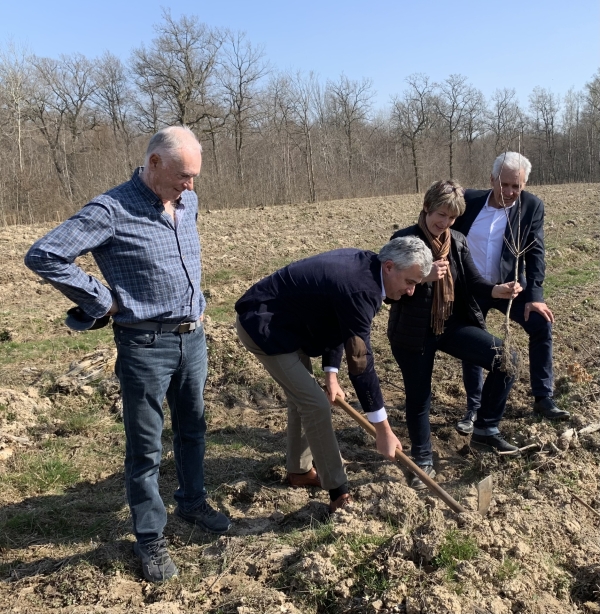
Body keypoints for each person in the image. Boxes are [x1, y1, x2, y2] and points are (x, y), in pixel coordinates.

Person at [24, 126, 230, 583]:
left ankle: (193, 503)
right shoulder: (111, 209)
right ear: (154, 162)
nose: (190, 186)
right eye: (183, 176)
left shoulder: (187, 201)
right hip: (145, 345)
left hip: (192, 337)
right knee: (146, 446)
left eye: (195, 176)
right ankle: (151, 538)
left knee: (193, 428)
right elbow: (45, 254)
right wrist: (102, 300)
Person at [235, 237, 433, 511]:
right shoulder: (360, 288)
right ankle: (338, 492)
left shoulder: (366, 270)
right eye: (410, 282)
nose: (411, 291)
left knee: (302, 400)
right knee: (315, 404)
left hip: (291, 326)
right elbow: (361, 362)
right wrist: (382, 430)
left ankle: (300, 471)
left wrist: (331, 374)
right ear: (389, 267)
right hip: (264, 325)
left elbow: (340, 322)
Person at [388, 180, 522, 490]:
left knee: (507, 360)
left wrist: (496, 290)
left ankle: (486, 430)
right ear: (427, 207)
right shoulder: (404, 240)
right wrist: (423, 277)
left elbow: (472, 282)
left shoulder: (457, 241)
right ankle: (422, 460)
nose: (445, 222)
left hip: (451, 325)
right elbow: (389, 294)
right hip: (413, 333)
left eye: (451, 217)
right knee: (419, 397)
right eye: (441, 215)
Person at [453, 152, 568, 436]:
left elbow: (536, 252)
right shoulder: (469, 203)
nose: (510, 192)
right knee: (475, 342)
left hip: (510, 286)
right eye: (504, 184)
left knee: (541, 324)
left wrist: (535, 296)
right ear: (492, 179)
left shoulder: (531, 206)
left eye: (517, 186)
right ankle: (474, 407)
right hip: (473, 287)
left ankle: (543, 397)